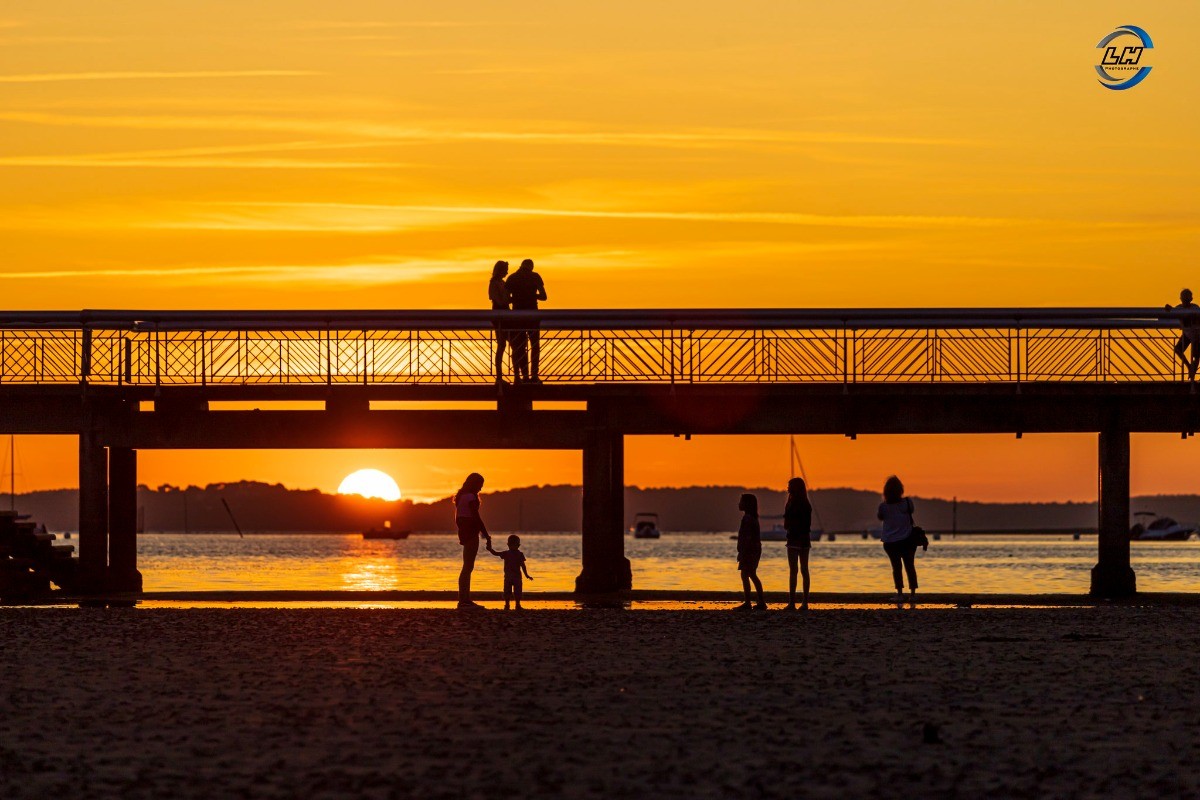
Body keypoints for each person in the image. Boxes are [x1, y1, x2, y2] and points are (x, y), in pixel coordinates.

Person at [877, 475, 919, 607]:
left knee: (896, 568)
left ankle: (900, 594)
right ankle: (912, 595)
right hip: (907, 539)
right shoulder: (907, 503)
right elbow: (911, 511)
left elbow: (880, 517)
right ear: (901, 490)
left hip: (890, 542)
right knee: (910, 566)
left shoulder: (883, 506)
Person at [504, 259, 547, 383]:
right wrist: (532, 296)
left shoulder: (512, 278)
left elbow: (506, 299)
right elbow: (544, 296)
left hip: (517, 316)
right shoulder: (535, 276)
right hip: (533, 315)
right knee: (535, 346)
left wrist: (517, 297)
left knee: (519, 347)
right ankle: (534, 375)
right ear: (531, 267)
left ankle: (522, 376)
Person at [453, 473, 492, 609]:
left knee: (466, 566)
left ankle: (463, 599)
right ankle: (464, 601)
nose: (481, 488)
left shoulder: (461, 496)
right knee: (468, 567)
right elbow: (476, 517)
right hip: (470, 532)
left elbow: (458, 518)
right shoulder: (470, 497)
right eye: (480, 485)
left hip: (464, 531)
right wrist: (486, 534)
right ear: (474, 484)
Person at [784, 477, 812, 611]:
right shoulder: (806, 504)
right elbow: (807, 524)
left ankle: (792, 603)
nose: (787, 488)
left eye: (789, 486)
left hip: (793, 538)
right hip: (805, 539)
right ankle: (805, 602)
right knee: (804, 570)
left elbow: (786, 524)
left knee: (793, 571)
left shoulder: (791, 504)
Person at [734, 493, 766, 610]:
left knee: (746, 574)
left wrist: (742, 552)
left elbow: (747, 537)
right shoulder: (752, 518)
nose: (739, 504)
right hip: (754, 550)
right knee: (752, 574)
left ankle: (748, 603)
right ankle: (761, 601)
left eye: (741, 501)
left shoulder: (747, 519)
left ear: (747, 504)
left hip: (749, 551)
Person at [486, 534, 533, 610]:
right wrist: (490, 549)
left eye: (515, 545)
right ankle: (507, 605)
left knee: (517, 591)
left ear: (518, 545)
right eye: (512, 544)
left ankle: (517, 605)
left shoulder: (519, 554)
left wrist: (527, 575)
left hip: (516, 577)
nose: (513, 546)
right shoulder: (506, 553)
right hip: (509, 576)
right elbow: (495, 553)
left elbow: (523, 566)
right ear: (508, 545)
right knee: (507, 591)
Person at [1165, 288, 1200, 380]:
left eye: (1187, 300)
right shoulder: (1179, 308)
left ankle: (1192, 373)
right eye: (1184, 300)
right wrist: (1169, 309)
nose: (1185, 302)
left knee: (1196, 355)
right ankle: (1189, 368)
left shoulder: (1195, 308)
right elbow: (1171, 313)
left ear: (1190, 300)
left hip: (1197, 334)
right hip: (1188, 334)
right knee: (1178, 350)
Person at [489, 261, 511, 385]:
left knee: (509, 345)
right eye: (505, 270)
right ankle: (499, 377)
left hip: (505, 315)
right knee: (502, 345)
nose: (507, 272)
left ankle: (507, 377)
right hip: (499, 316)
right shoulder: (494, 283)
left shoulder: (502, 283)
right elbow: (498, 300)